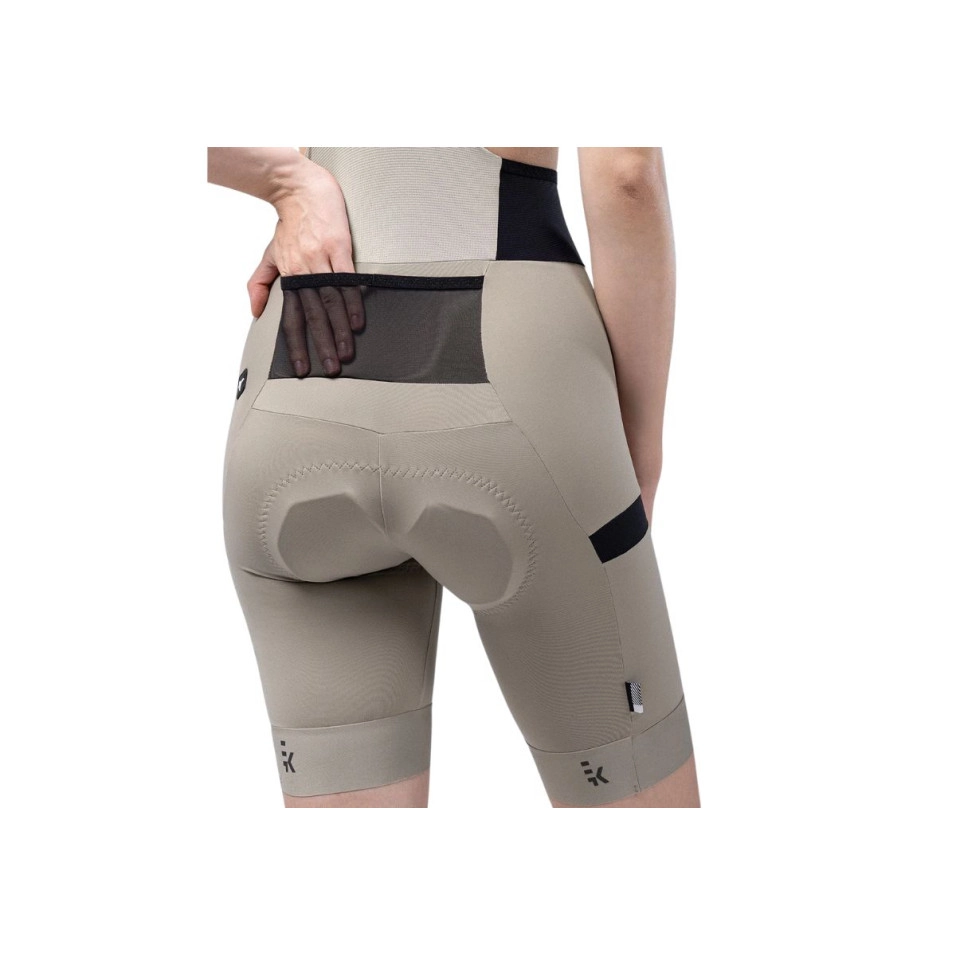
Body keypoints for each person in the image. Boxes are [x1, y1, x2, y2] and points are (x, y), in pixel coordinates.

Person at [206, 146, 701, 808]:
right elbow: (626, 176)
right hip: (514, 389)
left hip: (296, 380)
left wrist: (285, 182)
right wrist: (639, 443)